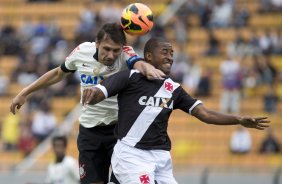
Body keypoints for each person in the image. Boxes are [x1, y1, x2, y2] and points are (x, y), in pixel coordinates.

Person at [82, 37, 270, 184]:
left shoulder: (174, 89)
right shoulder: (131, 77)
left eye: (172, 53)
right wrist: (93, 93)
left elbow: (205, 113)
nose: (170, 57)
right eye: (165, 52)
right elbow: (101, 91)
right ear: (148, 56)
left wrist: (237, 119)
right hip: (132, 154)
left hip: (161, 157)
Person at [10, 23, 165, 184]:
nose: (111, 55)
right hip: (90, 132)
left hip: (119, 132)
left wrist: (147, 68)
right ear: (97, 43)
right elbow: (57, 73)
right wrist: (25, 92)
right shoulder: (82, 51)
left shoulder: (126, 54)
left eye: (115, 50)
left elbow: (138, 63)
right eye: (106, 49)